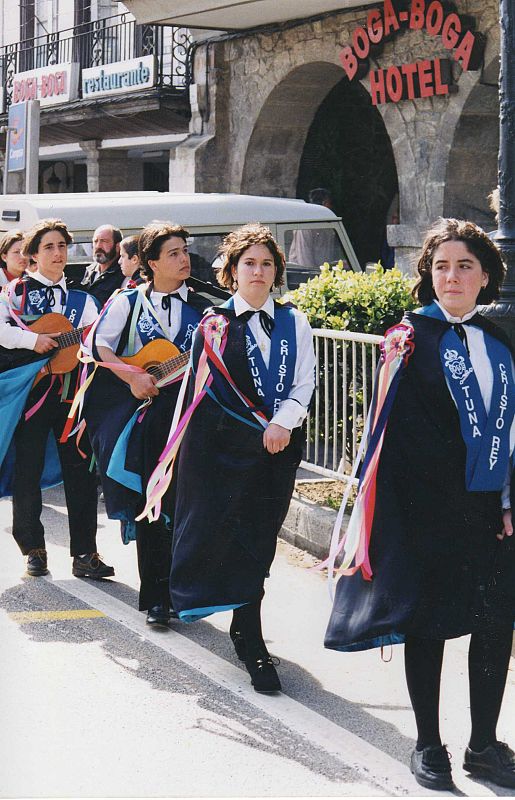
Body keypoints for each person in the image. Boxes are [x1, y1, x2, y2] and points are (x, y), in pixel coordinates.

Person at [324, 218, 515, 790]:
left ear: (486, 276)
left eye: (464, 266)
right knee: (427, 625)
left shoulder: (500, 342)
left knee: (494, 626)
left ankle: (483, 744)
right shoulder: (407, 338)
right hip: (427, 510)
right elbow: (386, 438)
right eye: (440, 267)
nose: (451, 277)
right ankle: (428, 743)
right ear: (427, 276)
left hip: (489, 512)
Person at [160, 223, 315, 693]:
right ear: (231, 271)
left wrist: (283, 422)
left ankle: (248, 626)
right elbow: (198, 396)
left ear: (276, 273)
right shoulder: (212, 325)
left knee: (260, 541)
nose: (258, 272)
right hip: (223, 454)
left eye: (267, 264)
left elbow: (303, 381)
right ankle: (251, 639)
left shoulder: (295, 321)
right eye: (249, 263)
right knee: (224, 535)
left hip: (277, 447)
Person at [81, 222, 210, 626]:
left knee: (189, 502)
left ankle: (184, 590)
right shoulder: (129, 302)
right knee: (152, 504)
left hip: (193, 412)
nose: (184, 259)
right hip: (150, 414)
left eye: (185, 251)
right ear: (151, 263)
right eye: (173, 253)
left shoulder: (207, 304)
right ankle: (156, 597)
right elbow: (96, 346)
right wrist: (132, 376)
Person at [0, 219, 114, 580]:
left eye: (62, 246)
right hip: (31, 394)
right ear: (32, 255)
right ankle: (33, 548)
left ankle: (85, 554)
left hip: (74, 397)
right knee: (27, 470)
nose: (57, 253)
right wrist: (31, 341)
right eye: (48, 247)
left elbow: (100, 341)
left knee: (81, 474)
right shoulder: (14, 294)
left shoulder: (85, 300)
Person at [288, 188, 343, 268]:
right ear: (325, 203)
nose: (331, 207)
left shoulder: (328, 226)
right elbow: (304, 258)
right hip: (303, 274)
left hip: (323, 272)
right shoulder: (305, 226)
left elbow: (331, 255)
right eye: (329, 204)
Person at [78, 225, 124, 307]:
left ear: (118, 247)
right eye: (95, 241)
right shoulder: (90, 270)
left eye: (104, 241)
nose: (98, 246)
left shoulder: (123, 273)